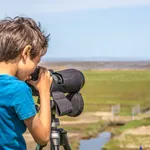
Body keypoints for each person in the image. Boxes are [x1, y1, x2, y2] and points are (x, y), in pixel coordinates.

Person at [0, 16, 53, 150]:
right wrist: (44, 91)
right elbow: (43, 138)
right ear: (26, 52)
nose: (36, 67)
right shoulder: (18, 89)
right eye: (37, 61)